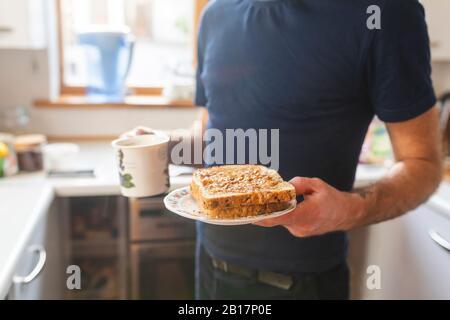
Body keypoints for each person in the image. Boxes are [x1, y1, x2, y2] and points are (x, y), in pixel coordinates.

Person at [126, 0, 442, 299]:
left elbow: (424, 164)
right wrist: (167, 147)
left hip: (301, 283)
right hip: (210, 265)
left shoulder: (386, 13)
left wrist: (350, 209)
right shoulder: (215, 14)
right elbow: (218, 138)